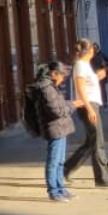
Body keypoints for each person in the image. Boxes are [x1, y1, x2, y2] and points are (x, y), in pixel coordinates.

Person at [65, 39, 108, 188]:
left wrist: (98, 76)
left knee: (90, 143)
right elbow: (81, 88)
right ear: (90, 51)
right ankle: (103, 179)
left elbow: (87, 84)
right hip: (88, 105)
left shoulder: (85, 65)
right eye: (93, 49)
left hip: (91, 105)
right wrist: (89, 109)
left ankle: (66, 169)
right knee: (98, 142)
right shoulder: (80, 65)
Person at [34, 61, 83, 202]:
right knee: (54, 161)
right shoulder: (47, 88)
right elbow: (56, 111)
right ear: (54, 74)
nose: (63, 79)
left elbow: (59, 105)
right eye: (62, 76)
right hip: (54, 128)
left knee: (60, 161)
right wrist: (73, 105)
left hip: (59, 127)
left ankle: (61, 189)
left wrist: (71, 103)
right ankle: (54, 191)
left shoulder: (51, 86)